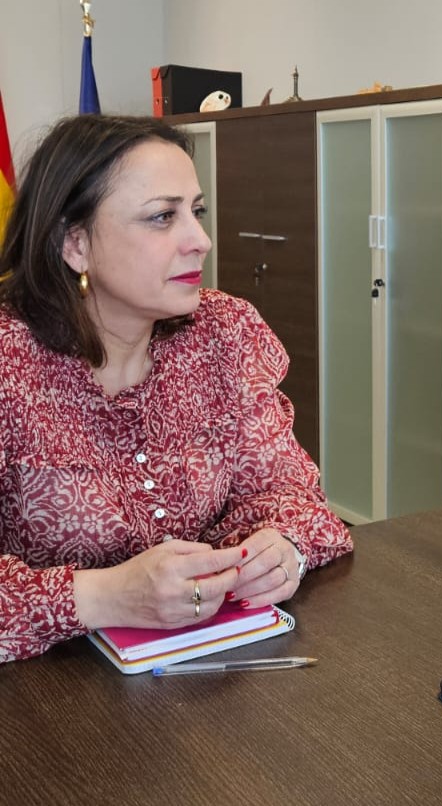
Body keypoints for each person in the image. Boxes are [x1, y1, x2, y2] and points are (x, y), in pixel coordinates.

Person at [0, 114, 352, 663]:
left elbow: (292, 494)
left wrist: (282, 548)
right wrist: (105, 596)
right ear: (75, 245)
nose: (201, 240)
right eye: (163, 217)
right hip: (46, 705)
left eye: (197, 210)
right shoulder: (9, 363)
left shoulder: (222, 331)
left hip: (210, 677)